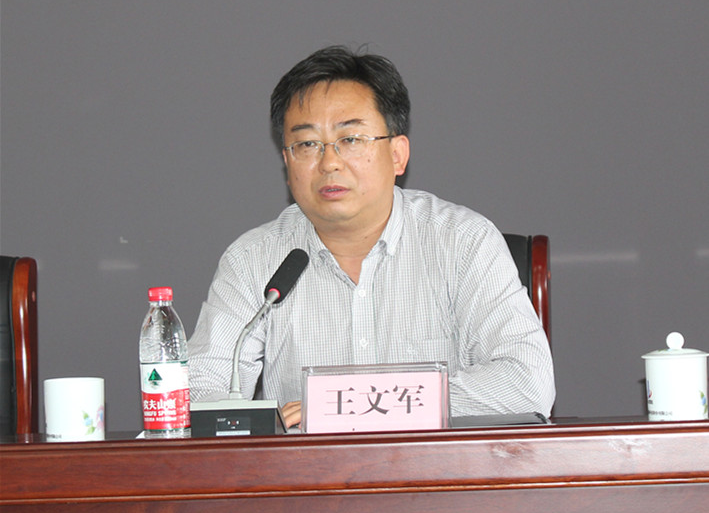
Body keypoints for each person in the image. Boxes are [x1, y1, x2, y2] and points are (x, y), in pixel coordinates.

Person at [188, 46, 554, 427]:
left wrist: (352, 407)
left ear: (397, 155)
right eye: (307, 144)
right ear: (286, 162)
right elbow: (198, 392)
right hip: (306, 467)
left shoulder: (463, 243)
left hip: (432, 465)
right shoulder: (253, 260)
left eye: (351, 139)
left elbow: (528, 383)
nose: (329, 162)